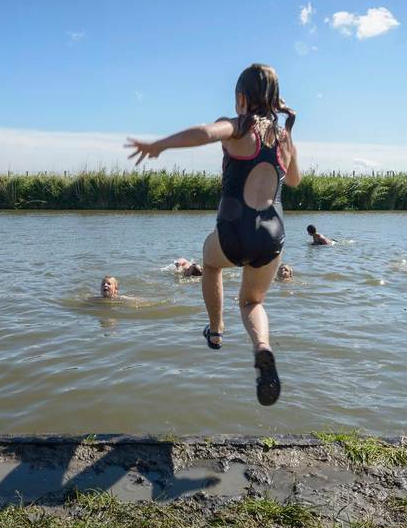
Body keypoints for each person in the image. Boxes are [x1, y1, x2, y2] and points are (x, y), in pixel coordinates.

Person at [126, 63, 301, 406]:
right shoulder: (283, 136)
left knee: (210, 261)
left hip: (234, 229)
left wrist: (160, 145)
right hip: (272, 234)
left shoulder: (239, 127)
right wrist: (286, 147)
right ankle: (262, 347)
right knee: (253, 301)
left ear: (241, 98)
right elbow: (293, 180)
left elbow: (205, 132)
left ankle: (216, 331)